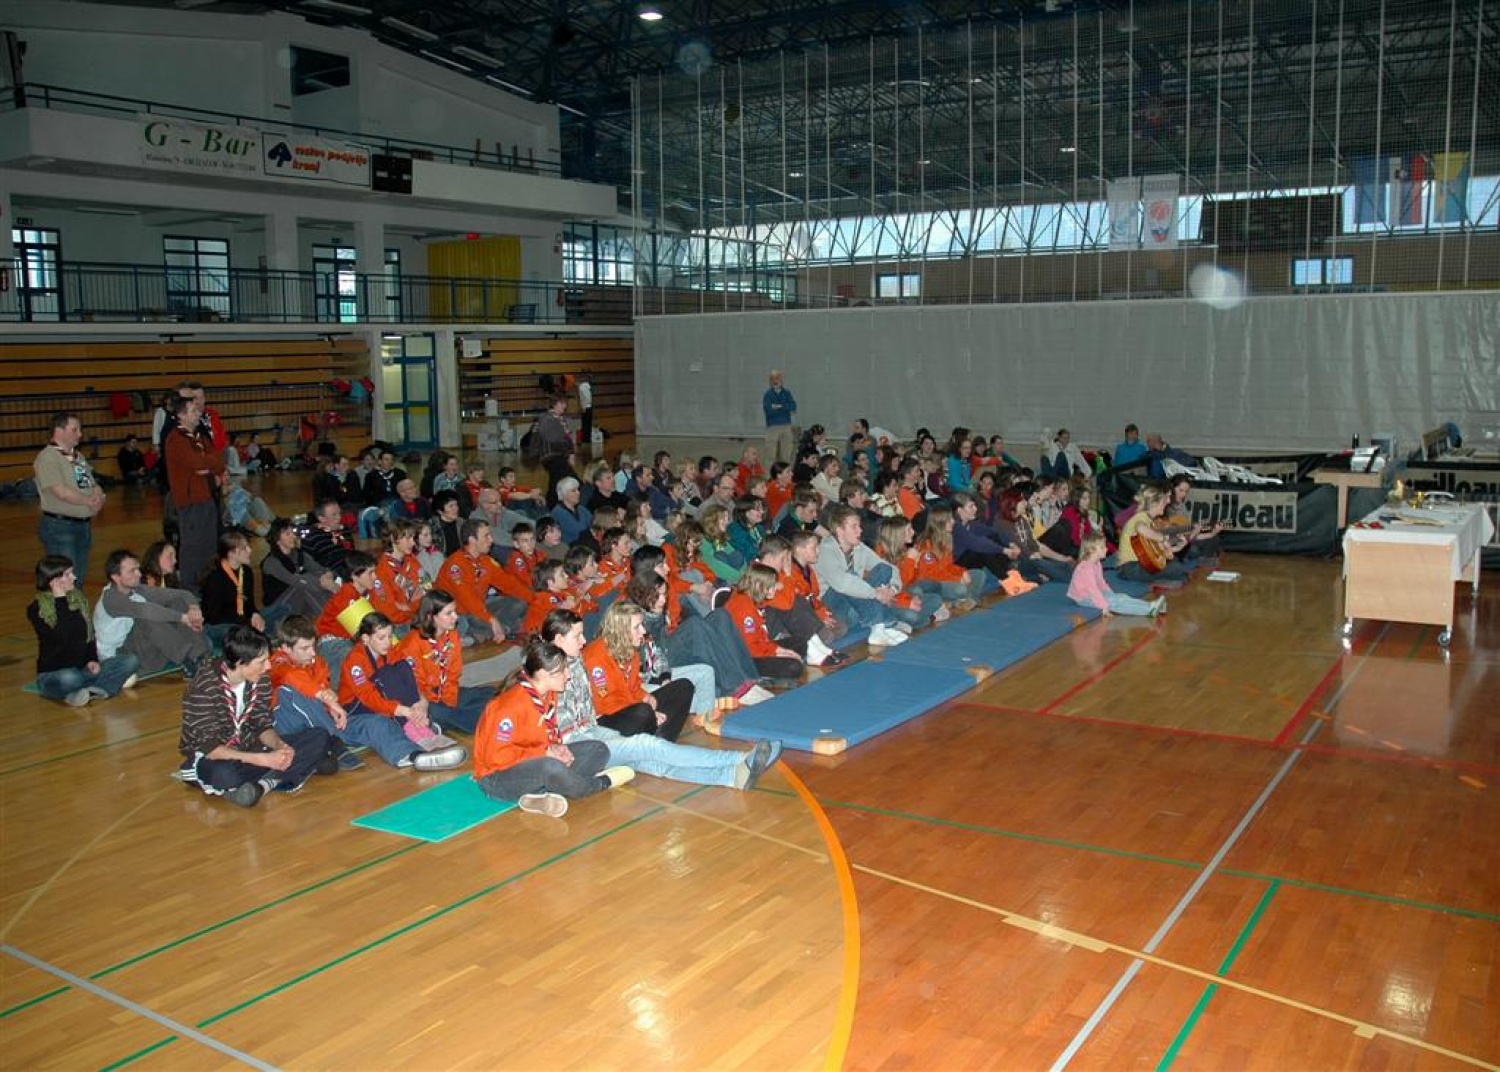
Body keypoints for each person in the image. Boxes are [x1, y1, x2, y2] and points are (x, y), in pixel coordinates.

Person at [541, 610, 779, 790]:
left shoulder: (575, 663)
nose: (583, 641)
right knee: (647, 745)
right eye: (577, 636)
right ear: (559, 640)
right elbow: (547, 726)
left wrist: (643, 698)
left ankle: (731, 777)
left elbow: (604, 703)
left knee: (652, 762)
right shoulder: (545, 673)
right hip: (577, 747)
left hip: (591, 733)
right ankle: (740, 759)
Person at [472, 640, 633, 817]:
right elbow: (496, 758)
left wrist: (557, 747)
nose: (568, 675)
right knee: (550, 767)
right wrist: (545, 753)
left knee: (598, 749)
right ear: (543, 674)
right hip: (497, 778)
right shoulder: (508, 708)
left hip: (535, 763)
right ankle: (597, 784)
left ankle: (541, 795)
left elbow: (545, 734)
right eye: (562, 671)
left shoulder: (549, 694)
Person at [178, 626, 335, 807]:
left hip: (250, 748)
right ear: (239, 663)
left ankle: (262, 785)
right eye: (261, 662)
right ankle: (284, 774)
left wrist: (279, 745)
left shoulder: (260, 679)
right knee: (225, 774)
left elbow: (261, 724)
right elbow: (211, 748)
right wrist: (264, 760)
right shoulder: (203, 688)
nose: (268, 666)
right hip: (214, 756)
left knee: (319, 736)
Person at [338, 611, 468, 770]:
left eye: (389, 636)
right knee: (385, 679)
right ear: (365, 638)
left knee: (403, 666)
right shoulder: (355, 661)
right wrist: (402, 711)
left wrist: (420, 702)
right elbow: (368, 697)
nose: (387, 642)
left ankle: (418, 723)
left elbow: (409, 676)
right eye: (381, 638)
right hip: (357, 708)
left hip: (388, 702)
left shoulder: (389, 650)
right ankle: (412, 736)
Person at [28, 555, 139, 707]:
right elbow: (63, 635)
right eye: (68, 574)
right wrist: (60, 599)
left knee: (130, 661)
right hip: (55, 673)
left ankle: (91, 691)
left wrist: (91, 659)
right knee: (71, 678)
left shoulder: (78, 599)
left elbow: (88, 635)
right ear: (54, 580)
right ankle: (87, 688)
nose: (74, 577)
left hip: (82, 669)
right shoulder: (37, 609)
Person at [583, 601, 694, 740]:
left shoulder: (630, 649)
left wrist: (645, 696)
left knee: (684, 686)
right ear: (620, 631)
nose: (643, 631)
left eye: (642, 625)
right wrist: (643, 706)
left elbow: (634, 687)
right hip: (607, 718)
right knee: (643, 711)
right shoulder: (595, 657)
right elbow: (605, 703)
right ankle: (655, 739)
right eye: (637, 627)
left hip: (630, 707)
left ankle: (662, 740)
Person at [96, 548, 211, 675]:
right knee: (146, 616)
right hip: (121, 656)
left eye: (138, 569)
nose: (139, 574)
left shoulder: (137, 589)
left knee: (177, 602)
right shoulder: (111, 598)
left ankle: (200, 656)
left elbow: (183, 594)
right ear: (116, 577)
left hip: (148, 651)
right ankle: (188, 658)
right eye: (132, 571)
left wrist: (194, 608)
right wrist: (182, 618)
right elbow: (145, 610)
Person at [394, 590, 493, 735]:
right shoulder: (412, 643)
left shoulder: (452, 636)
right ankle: (483, 722)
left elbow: (453, 674)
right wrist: (434, 702)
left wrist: (449, 701)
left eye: (455, 611)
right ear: (431, 616)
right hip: (420, 698)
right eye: (449, 613)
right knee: (437, 711)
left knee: (490, 693)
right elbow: (415, 684)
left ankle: (446, 722)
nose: (455, 617)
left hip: (442, 692)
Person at [814, 505, 905, 645]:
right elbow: (842, 583)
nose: (860, 530)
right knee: (851, 576)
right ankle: (882, 624)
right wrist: (875, 593)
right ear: (840, 531)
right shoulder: (825, 550)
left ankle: (879, 625)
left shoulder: (859, 547)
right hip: (833, 603)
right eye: (854, 526)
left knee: (883, 569)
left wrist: (892, 589)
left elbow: (889, 568)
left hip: (856, 604)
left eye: (859, 526)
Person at [163, 393, 224, 595]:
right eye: (193, 411)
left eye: (198, 410)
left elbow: (218, 460)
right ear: (181, 415)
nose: (199, 414)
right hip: (190, 503)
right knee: (193, 549)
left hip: (207, 499)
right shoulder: (176, 440)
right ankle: (190, 592)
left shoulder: (200, 437)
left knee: (209, 547)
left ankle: (208, 587)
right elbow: (197, 463)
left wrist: (208, 466)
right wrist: (207, 464)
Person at [35, 411, 105, 583]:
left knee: (77, 578)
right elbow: (60, 491)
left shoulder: (75, 457)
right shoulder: (48, 458)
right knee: (64, 581)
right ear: (59, 431)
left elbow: (89, 485)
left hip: (82, 526)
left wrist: (98, 498)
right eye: (75, 430)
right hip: (60, 527)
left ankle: (74, 610)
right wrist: (88, 501)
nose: (80, 434)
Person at [436, 518, 531, 645]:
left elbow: (509, 584)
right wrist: (491, 619)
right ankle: (492, 630)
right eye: (486, 536)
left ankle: (493, 630)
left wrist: (537, 600)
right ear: (472, 540)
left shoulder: (485, 561)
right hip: (460, 614)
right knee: (491, 622)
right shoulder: (455, 565)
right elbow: (468, 600)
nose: (491, 540)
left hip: (481, 608)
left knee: (521, 603)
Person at [723, 564, 805, 681]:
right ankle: (760, 675)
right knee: (794, 667)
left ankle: (775, 669)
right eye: (771, 586)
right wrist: (778, 652)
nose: (776, 588)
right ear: (758, 585)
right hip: (748, 658)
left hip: (760, 646)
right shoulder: (743, 607)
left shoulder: (752, 598)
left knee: (800, 642)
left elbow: (761, 639)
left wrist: (780, 650)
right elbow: (750, 648)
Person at [261, 518, 337, 631]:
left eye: (293, 532)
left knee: (315, 582)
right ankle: (334, 623)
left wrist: (328, 577)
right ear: (277, 540)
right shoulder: (271, 562)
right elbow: (295, 581)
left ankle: (340, 618)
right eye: (288, 534)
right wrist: (324, 583)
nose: (293, 536)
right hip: (278, 609)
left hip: (298, 602)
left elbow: (321, 569)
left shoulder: (298, 554)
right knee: (304, 584)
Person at [1069, 534, 1165, 617]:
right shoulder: (1086, 568)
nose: (1106, 549)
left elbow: (1101, 582)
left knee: (1121, 597)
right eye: (1102, 547)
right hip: (1083, 598)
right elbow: (1092, 589)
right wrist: (1104, 606)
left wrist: (1111, 594)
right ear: (1091, 550)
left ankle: (1152, 606)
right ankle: (1149, 610)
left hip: (1092, 593)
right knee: (1114, 602)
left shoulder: (1096, 563)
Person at [1116, 484, 1194, 585]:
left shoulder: (1150, 521)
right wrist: (1162, 538)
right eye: (1163, 502)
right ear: (1154, 504)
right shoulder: (1141, 517)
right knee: (1177, 569)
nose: (1167, 503)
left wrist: (1178, 547)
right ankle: (1164, 581)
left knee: (1175, 564)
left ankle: (1162, 581)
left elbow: (1159, 551)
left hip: (1141, 564)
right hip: (1128, 568)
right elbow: (1140, 528)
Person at [199, 531, 265, 645]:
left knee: (282, 609)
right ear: (231, 554)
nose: (249, 551)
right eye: (244, 548)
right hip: (220, 625)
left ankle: (253, 636)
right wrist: (245, 621)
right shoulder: (215, 577)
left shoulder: (247, 572)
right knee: (237, 632)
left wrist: (255, 614)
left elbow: (250, 604)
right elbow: (213, 616)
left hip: (242, 621)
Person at [370, 518, 424, 629]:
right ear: (392, 538)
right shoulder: (380, 570)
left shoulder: (413, 561)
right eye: (408, 538)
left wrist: (408, 607)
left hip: (417, 617)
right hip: (395, 625)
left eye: (413, 538)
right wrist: (412, 607)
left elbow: (427, 588)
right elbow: (386, 610)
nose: (413, 542)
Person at [532, 395, 575, 506]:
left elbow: (567, 438)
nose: (565, 406)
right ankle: (552, 502)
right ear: (555, 404)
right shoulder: (547, 418)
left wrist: (571, 453)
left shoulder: (560, 419)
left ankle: (550, 502)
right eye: (562, 403)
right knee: (563, 477)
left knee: (556, 479)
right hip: (551, 455)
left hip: (558, 455)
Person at [301, 500, 352, 576]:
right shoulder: (311, 538)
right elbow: (308, 566)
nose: (339, 517)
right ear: (322, 518)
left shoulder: (345, 530)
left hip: (351, 572)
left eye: (339, 513)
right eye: (334, 515)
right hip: (328, 576)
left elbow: (351, 553)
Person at [762, 369, 798, 465]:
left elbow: (793, 407)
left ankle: (786, 477)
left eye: (777, 378)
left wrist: (779, 406)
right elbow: (769, 411)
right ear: (770, 381)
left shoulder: (787, 393)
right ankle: (768, 478)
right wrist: (785, 407)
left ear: (781, 379)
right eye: (773, 378)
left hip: (786, 426)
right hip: (772, 427)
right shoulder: (767, 395)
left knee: (787, 455)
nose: (775, 381)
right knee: (770, 455)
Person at [550, 476, 593, 545]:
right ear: (564, 494)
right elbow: (579, 531)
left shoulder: (581, 509)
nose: (578, 493)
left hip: (585, 544)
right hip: (570, 548)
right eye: (573, 491)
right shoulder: (558, 513)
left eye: (578, 489)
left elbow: (594, 523)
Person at [576, 375, 594, 448]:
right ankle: (587, 438)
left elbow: (584, 398)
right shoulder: (587, 387)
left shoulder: (582, 387)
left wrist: (583, 407)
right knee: (588, 423)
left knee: (585, 423)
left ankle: (585, 439)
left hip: (586, 407)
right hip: (589, 407)